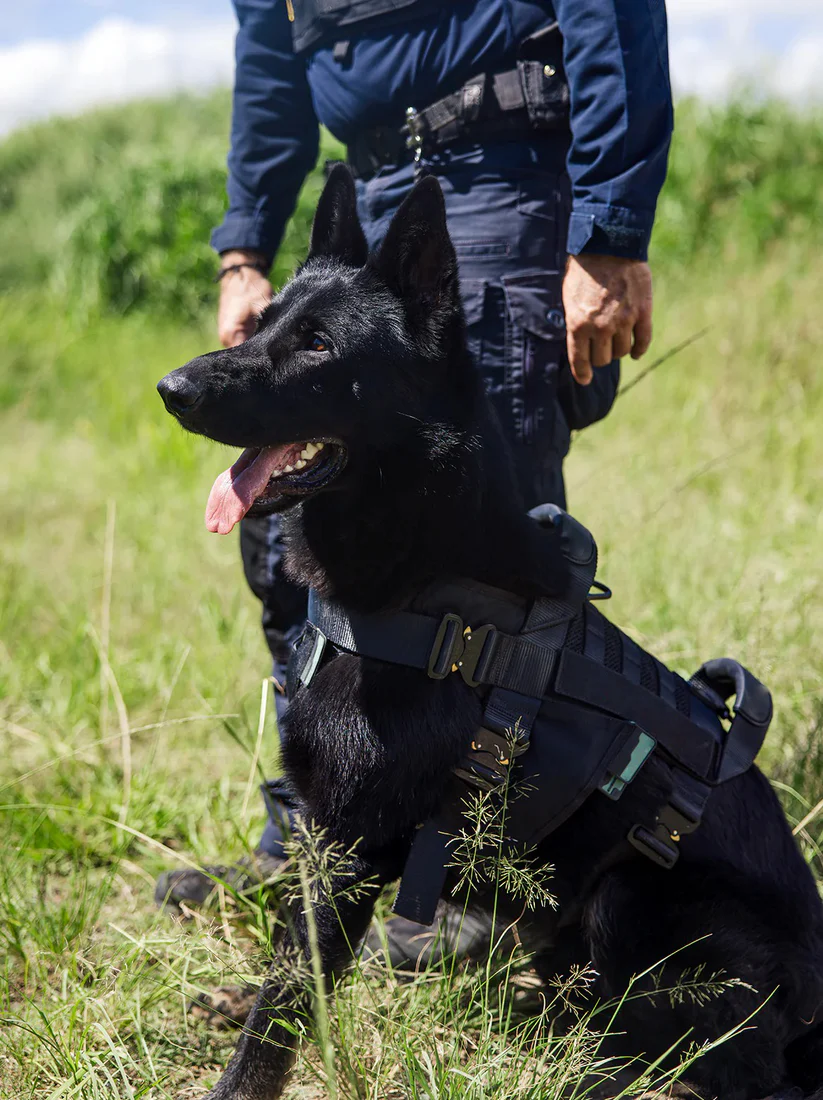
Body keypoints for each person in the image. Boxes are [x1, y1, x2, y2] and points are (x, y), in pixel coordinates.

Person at [157, 0, 672, 965]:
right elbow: (272, 52)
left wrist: (607, 226)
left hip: (501, 175)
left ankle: (480, 879)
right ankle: (313, 842)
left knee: (481, 557)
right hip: (372, 176)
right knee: (300, 554)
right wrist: (244, 250)